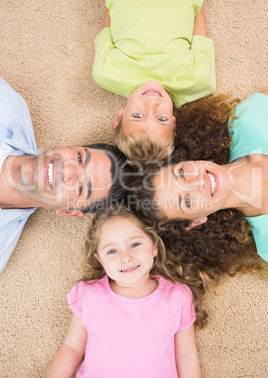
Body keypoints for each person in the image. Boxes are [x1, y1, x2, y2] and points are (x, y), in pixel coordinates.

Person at [45, 206, 203, 378]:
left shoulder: (177, 296)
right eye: (112, 251)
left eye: (135, 244)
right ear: (101, 260)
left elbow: (186, 357)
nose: (126, 257)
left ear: (154, 247)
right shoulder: (89, 294)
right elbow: (72, 348)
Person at [128, 91, 267, 279]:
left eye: (182, 173)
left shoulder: (248, 117)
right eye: (186, 201)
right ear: (197, 220)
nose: (197, 183)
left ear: (184, 159)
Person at [0, 77, 132, 273]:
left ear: (70, 211)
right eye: (79, 158)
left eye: (81, 188)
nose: (69, 171)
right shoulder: (8, 107)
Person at [92, 0, 215, 163]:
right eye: (161, 119)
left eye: (138, 115)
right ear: (174, 123)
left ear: (119, 117)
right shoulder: (198, 80)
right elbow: (198, 26)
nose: (152, 103)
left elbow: (108, 22)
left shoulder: (106, 73)